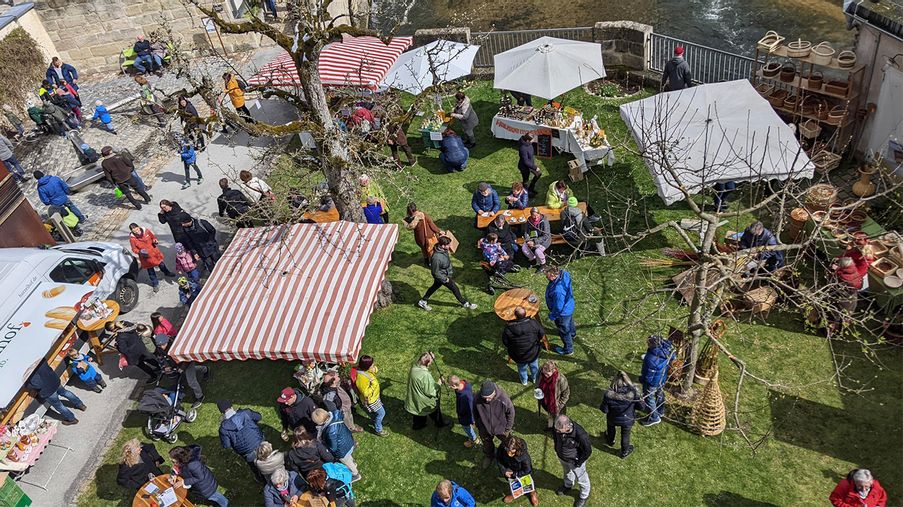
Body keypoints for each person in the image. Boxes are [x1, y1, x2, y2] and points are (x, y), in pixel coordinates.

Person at [418, 235, 478, 311]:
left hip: (444, 274)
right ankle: (465, 303)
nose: (450, 246)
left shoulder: (443, 250)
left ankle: (423, 301)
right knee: (454, 287)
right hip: (442, 277)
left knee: (434, 287)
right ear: (443, 246)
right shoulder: (436, 258)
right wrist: (445, 279)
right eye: (448, 245)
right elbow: (435, 272)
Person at [151, 332, 209, 407]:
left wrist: (182, 368)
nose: (161, 347)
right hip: (177, 364)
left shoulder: (176, 346)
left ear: (167, 341)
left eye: (163, 345)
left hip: (187, 362)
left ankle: (200, 397)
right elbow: (163, 358)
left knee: (191, 381)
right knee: (191, 372)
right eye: (159, 345)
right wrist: (166, 366)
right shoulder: (160, 349)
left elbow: (185, 357)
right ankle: (204, 369)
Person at [599, 371, 646, 459]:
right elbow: (641, 408)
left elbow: (604, 410)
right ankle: (624, 452)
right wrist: (640, 399)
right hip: (627, 418)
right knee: (625, 435)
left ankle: (610, 441)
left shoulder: (608, 394)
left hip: (612, 418)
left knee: (611, 428)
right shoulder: (634, 393)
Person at [218, 399, 266, 483]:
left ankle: (261, 479)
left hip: (247, 452)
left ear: (221, 411)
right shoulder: (245, 413)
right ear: (231, 406)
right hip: (260, 443)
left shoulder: (223, 428)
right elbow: (259, 417)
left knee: (255, 467)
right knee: (268, 459)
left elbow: (227, 445)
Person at [474, 380, 516, 469]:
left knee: (509, 443)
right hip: (484, 428)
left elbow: (511, 413)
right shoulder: (477, 398)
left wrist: (507, 429)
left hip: (502, 428)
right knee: (487, 444)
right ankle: (489, 456)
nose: (486, 400)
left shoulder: (504, 399)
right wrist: (478, 425)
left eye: (489, 397)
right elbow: (475, 412)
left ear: (494, 392)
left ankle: (510, 457)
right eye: (484, 397)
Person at [553, 415, 592, 507]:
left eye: (559, 431)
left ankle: (584, 496)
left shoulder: (581, 435)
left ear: (567, 427)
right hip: (563, 458)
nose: (557, 432)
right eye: (556, 430)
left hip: (575, 461)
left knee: (582, 478)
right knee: (567, 472)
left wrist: (579, 462)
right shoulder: (557, 429)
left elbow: (588, 451)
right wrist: (557, 449)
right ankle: (568, 485)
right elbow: (555, 437)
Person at [311, 408, 360, 481]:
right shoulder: (336, 415)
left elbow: (333, 447)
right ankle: (353, 463)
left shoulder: (331, 432)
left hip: (342, 450)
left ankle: (355, 474)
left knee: (346, 461)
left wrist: (327, 448)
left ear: (320, 422)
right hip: (348, 440)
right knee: (349, 456)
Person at [405, 352, 450, 430]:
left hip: (415, 398)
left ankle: (417, 425)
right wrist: (439, 383)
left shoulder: (414, 366)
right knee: (434, 410)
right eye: (431, 361)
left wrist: (429, 356)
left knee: (417, 412)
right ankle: (439, 423)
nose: (431, 363)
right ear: (427, 363)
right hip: (424, 401)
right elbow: (430, 392)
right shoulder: (425, 375)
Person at [502, 306, 545, 385]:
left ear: (515, 315)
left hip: (518, 355)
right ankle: (535, 378)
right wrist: (537, 340)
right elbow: (541, 333)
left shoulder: (509, 328)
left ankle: (524, 381)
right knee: (534, 366)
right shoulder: (533, 323)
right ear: (525, 313)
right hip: (533, 352)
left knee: (522, 368)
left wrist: (513, 347)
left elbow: (505, 342)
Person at [129, 223, 175, 292]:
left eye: (136, 228)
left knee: (161, 264)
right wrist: (140, 252)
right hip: (146, 257)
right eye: (134, 230)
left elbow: (153, 237)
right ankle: (155, 284)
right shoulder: (132, 239)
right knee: (151, 271)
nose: (136, 230)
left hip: (154, 253)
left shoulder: (146, 231)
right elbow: (134, 249)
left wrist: (155, 241)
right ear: (132, 231)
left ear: (138, 227)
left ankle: (167, 273)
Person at [639, 334, 674, 426]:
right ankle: (660, 410)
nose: (647, 343)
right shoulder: (666, 350)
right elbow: (673, 356)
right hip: (662, 378)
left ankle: (654, 417)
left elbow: (648, 375)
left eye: (648, 342)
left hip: (652, 382)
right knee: (660, 393)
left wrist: (642, 379)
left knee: (649, 397)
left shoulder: (650, 359)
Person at [497, 435, 538, 505]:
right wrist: (504, 471)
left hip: (521, 472)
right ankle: (514, 494)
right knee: (513, 484)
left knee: (528, 483)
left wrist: (514, 474)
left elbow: (527, 470)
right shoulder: (503, 447)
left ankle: (532, 493)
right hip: (509, 469)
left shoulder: (524, 456)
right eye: (507, 450)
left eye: (512, 451)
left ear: (517, 448)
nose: (509, 454)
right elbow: (498, 459)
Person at [352, 355, 387, 436]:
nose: (373, 365)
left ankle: (378, 420)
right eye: (372, 365)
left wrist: (374, 369)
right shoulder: (361, 378)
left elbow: (370, 374)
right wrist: (374, 385)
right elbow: (365, 392)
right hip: (371, 399)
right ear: (366, 367)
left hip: (374, 396)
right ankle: (378, 429)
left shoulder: (365, 370)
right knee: (381, 413)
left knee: (378, 413)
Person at [545, 266, 576, 355]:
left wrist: (552, 315)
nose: (546, 278)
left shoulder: (558, 291)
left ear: (553, 275)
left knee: (563, 329)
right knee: (570, 321)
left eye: (547, 276)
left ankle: (568, 349)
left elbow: (558, 307)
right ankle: (573, 334)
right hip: (569, 306)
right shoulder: (564, 274)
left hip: (562, 313)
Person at [446, 375, 480, 448]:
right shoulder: (465, 383)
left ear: (454, 385)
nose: (449, 387)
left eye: (450, 386)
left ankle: (474, 439)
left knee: (466, 427)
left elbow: (470, 409)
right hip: (465, 410)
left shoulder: (465, 397)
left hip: (466, 416)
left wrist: (472, 421)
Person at [537, 360, 569, 430]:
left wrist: (559, 405)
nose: (545, 376)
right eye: (544, 373)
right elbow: (538, 381)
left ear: (554, 370)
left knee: (559, 419)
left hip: (555, 405)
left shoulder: (561, 379)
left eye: (547, 374)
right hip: (546, 401)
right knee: (550, 415)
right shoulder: (540, 371)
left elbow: (566, 394)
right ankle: (550, 427)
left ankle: (558, 429)